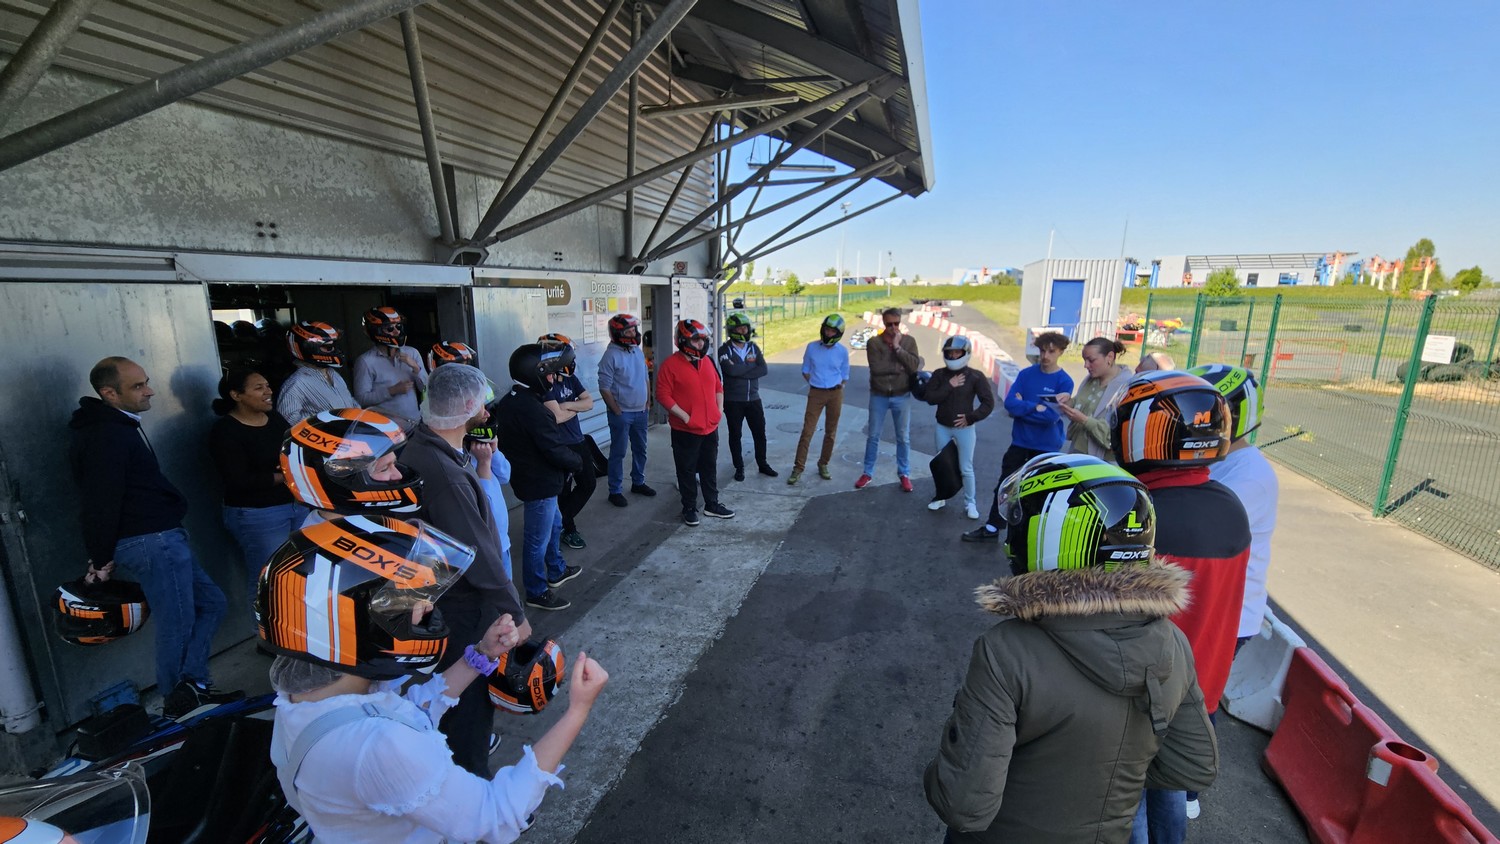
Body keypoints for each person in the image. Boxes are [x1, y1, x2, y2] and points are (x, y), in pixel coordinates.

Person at [260, 515, 609, 844]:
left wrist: (480, 655)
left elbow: (408, 715)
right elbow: (497, 815)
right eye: (410, 601)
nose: (428, 609)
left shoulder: (303, 701)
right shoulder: (379, 747)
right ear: (356, 624)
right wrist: (578, 710)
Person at [924, 452, 1217, 843]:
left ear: (1049, 535)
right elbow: (1194, 764)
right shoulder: (1173, 640)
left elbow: (962, 804)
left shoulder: (1006, 651)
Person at [1110, 370, 1248, 844]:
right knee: (1168, 787)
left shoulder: (1142, 515)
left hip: (1145, 691)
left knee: (1125, 797)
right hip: (1201, 685)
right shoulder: (1230, 505)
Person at [69, 357, 241, 719]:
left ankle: (192, 687)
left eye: (146, 381)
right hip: (151, 541)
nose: (149, 391)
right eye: (137, 386)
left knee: (212, 604)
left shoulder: (117, 426)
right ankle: (179, 704)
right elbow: (100, 500)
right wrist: (100, 557)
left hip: (163, 537)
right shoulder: (106, 435)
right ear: (109, 393)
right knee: (177, 622)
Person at [400, 363, 535, 775]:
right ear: (465, 409)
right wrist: (515, 613)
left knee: (453, 699)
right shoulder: (446, 474)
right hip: (460, 608)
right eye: (481, 405)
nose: (487, 413)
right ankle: (471, 787)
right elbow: (478, 554)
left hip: (439, 598)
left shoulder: (423, 447)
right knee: (469, 706)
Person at [1188, 368, 1277, 646]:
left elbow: (1199, 531)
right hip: (1208, 603)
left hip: (1228, 616)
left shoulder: (1250, 477)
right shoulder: (1213, 457)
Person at [495, 345, 585, 613]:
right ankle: (536, 591)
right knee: (536, 541)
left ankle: (556, 569)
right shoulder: (533, 409)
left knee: (554, 525)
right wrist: (578, 461)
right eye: (548, 374)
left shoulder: (513, 399)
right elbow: (553, 448)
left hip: (537, 480)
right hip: (539, 484)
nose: (552, 379)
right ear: (532, 374)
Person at [962, 331, 1073, 542]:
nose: (1045, 356)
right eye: (1042, 351)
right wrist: (1036, 407)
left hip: (1046, 447)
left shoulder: (1064, 381)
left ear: (1060, 352)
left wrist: (1024, 408)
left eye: (1051, 351)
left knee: (1038, 493)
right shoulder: (1026, 374)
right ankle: (992, 527)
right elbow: (1011, 404)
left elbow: (1050, 417)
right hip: (1020, 442)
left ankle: (1028, 537)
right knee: (1005, 486)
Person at [207, 366, 300, 608]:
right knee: (269, 579)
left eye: (267, 386)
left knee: (299, 574)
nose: (268, 391)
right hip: (257, 514)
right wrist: (284, 475)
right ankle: (263, 630)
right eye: (259, 388)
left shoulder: (275, 419)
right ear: (236, 395)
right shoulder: (225, 430)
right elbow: (238, 480)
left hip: (294, 505)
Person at [657, 319, 733, 526]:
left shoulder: (707, 361)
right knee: (687, 470)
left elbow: (718, 387)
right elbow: (663, 395)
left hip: (710, 428)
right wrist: (686, 417)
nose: (701, 344)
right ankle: (689, 507)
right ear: (683, 341)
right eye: (696, 340)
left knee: (709, 467)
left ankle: (712, 504)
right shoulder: (670, 365)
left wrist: (719, 410)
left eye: (703, 340)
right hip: (685, 430)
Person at [921, 336, 995, 519]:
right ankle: (941, 497)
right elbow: (930, 398)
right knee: (942, 465)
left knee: (966, 467)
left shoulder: (975, 376)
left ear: (965, 353)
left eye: (957, 352)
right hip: (942, 427)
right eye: (950, 353)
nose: (953, 356)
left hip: (965, 429)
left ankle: (970, 502)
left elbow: (988, 403)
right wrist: (949, 385)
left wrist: (971, 418)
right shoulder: (939, 374)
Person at [538, 333, 597, 550]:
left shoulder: (571, 379)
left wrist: (567, 405)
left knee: (588, 483)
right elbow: (557, 417)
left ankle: (559, 522)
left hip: (577, 440)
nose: (572, 361)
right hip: (559, 445)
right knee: (562, 489)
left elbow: (589, 402)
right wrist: (574, 406)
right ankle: (568, 529)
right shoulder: (544, 382)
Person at [856, 308, 922, 492]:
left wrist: (898, 347)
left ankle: (904, 473)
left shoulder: (909, 341)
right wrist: (899, 367)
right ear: (883, 324)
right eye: (889, 324)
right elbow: (876, 369)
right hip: (879, 395)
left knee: (903, 437)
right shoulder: (874, 343)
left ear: (900, 322)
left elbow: (914, 366)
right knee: (873, 436)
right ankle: (867, 472)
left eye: (896, 323)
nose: (893, 327)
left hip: (902, 394)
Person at [598, 314, 656, 507]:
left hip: (641, 412)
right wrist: (616, 410)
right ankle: (615, 491)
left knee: (641, 449)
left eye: (634, 330)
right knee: (618, 453)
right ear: (618, 333)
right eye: (629, 331)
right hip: (622, 414)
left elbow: (645, 378)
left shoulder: (637, 351)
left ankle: (638, 482)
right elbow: (604, 387)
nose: (633, 333)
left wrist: (648, 401)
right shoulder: (610, 356)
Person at [789, 314, 851, 485]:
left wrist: (837, 386)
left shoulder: (842, 351)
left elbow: (845, 374)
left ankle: (823, 463)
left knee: (831, 432)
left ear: (838, 333)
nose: (828, 333)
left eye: (832, 331)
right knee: (807, 431)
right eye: (826, 330)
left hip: (835, 393)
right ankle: (798, 467)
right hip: (816, 393)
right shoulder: (812, 347)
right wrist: (816, 384)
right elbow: (806, 370)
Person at [718, 313, 777, 481]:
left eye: (745, 328)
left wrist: (740, 369)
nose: (744, 331)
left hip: (754, 399)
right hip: (733, 401)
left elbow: (763, 369)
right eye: (740, 329)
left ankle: (762, 464)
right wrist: (751, 367)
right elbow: (730, 371)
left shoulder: (753, 347)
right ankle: (739, 468)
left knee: (760, 433)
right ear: (732, 330)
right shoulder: (724, 350)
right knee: (735, 435)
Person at [1055, 336, 1134, 461]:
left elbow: (1117, 435)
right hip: (1077, 453)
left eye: (1091, 360)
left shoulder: (1127, 387)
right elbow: (1081, 403)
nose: (1086, 365)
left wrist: (1084, 420)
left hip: (1104, 462)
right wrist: (1068, 402)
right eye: (1084, 360)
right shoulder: (1090, 380)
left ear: (1110, 357)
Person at [353, 306, 428, 421]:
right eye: (389, 328)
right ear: (376, 331)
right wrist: (392, 391)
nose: (397, 331)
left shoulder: (412, 353)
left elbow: (426, 388)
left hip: (414, 422)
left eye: (398, 326)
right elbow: (361, 399)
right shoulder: (365, 361)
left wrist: (416, 368)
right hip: (386, 427)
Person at [277, 320, 356, 425]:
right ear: (308, 349)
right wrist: (324, 425)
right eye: (328, 347)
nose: (334, 351)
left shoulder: (333, 374)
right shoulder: (297, 383)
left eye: (333, 346)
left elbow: (350, 402)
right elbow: (287, 420)